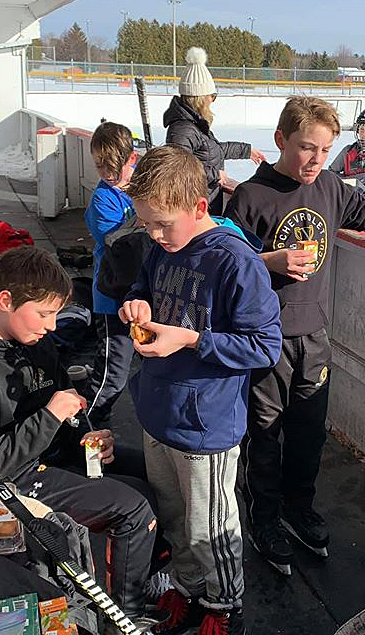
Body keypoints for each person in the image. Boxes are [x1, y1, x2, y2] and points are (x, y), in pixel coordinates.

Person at [223, 96, 365, 576]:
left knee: (309, 431)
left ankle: (299, 507)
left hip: (317, 336)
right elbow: (225, 263)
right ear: (280, 140)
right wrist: (271, 260)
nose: (315, 161)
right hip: (264, 339)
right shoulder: (250, 195)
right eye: (306, 148)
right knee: (265, 434)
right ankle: (264, 516)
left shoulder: (331, 186)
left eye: (325, 150)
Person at [0, 246, 159, 629]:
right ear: (5, 300)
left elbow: (64, 396)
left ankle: (140, 579)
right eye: (45, 313)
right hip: (10, 480)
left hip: (53, 451)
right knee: (134, 510)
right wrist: (51, 417)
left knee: (154, 478)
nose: (52, 325)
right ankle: (123, 618)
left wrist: (86, 435)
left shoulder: (34, 337)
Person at [120, 145, 282, 635]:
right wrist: (137, 307)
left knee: (209, 527)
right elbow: (142, 288)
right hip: (157, 411)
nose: (153, 234)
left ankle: (224, 604)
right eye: (145, 223)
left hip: (204, 426)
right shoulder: (160, 246)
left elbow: (264, 346)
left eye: (162, 223)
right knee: (174, 517)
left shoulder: (236, 262)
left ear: (199, 206)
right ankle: (191, 588)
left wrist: (190, 339)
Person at [83, 120, 139, 425]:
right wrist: (147, 215)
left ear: (132, 159)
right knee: (112, 376)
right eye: (99, 166)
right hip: (113, 299)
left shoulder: (143, 183)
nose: (105, 174)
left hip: (145, 296)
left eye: (112, 167)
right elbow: (118, 241)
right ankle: (88, 430)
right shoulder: (103, 199)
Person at [164, 47, 264, 214]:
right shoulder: (183, 129)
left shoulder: (195, 125)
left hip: (205, 204)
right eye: (213, 95)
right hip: (194, 208)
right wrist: (215, 174)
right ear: (201, 98)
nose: (213, 101)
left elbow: (212, 150)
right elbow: (178, 170)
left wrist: (246, 150)